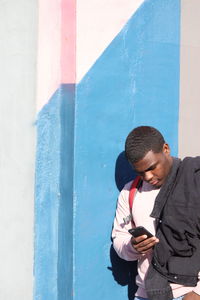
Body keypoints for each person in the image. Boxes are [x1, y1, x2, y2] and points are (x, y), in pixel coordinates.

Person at [112, 126, 200, 300]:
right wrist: (133, 246)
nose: (148, 176)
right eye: (140, 171)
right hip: (147, 293)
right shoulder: (130, 192)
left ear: (166, 149)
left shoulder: (194, 180)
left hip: (189, 292)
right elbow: (119, 239)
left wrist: (198, 291)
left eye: (152, 167)